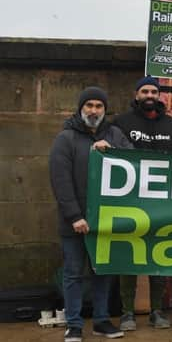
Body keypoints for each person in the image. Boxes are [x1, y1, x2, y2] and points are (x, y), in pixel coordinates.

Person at [49, 87, 131, 342]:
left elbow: (135, 162)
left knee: (103, 272)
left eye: (98, 106)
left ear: (105, 110)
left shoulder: (115, 134)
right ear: (80, 108)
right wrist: (75, 216)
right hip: (75, 223)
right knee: (73, 273)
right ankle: (74, 324)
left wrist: (114, 151)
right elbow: (60, 181)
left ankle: (101, 320)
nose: (93, 110)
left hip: (105, 222)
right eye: (89, 105)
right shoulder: (66, 138)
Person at [113, 76, 172, 331]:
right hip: (129, 201)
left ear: (160, 96)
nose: (150, 95)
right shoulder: (121, 123)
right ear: (136, 95)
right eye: (145, 91)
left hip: (162, 203)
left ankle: (157, 309)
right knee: (128, 257)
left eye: (154, 91)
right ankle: (126, 312)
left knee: (158, 257)